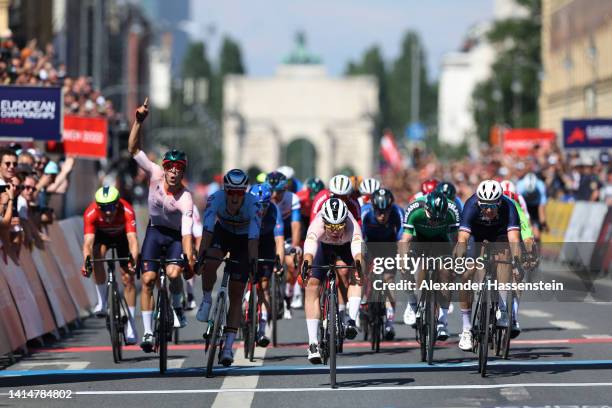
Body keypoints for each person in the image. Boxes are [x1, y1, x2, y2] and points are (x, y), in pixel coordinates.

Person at [128, 98, 195, 352]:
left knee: (175, 273)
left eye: (179, 169)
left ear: (182, 172)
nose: (173, 172)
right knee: (147, 279)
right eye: (170, 168)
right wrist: (138, 121)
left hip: (176, 236)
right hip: (155, 232)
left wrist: (189, 259)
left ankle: (177, 304)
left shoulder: (185, 198)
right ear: (164, 169)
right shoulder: (154, 173)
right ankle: (147, 332)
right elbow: (133, 150)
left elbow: (187, 234)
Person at [196, 168, 261, 366]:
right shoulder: (215, 198)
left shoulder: (254, 204)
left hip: (243, 241)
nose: (234, 197)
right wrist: (200, 257)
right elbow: (207, 230)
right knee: (210, 262)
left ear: (245, 192)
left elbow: (253, 239)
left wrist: (253, 264)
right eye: (230, 191)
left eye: (239, 192)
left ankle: (228, 348)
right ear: (225, 190)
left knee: (236, 292)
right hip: (222, 234)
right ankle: (207, 300)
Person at [454, 180, 522, 351]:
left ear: (499, 202)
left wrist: (517, 263)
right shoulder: (470, 205)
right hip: (476, 236)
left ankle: (503, 307)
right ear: (479, 202)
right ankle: (466, 328)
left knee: (506, 258)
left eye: (492, 206)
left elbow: (514, 240)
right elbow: (462, 238)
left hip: (500, 235)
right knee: (467, 274)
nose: (489, 210)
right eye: (485, 206)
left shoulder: (509, 206)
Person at [302, 198, 364, 364]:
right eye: (331, 226)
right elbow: (310, 245)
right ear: (324, 222)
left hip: (345, 247)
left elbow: (358, 250)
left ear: (345, 222)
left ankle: (351, 320)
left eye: (339, 226)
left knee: (355, 274)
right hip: (322, 246)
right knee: (312, 285)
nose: (336, 231)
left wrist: (359, 265)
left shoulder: (351, 225)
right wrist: (306, 262)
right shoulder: (317, 224)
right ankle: (313, 343)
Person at [81, 186, 140, 344]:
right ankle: (102, 301)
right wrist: (87, 262)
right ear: (97, 206)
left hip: (122, 238)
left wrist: (133, 261)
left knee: (128, 278)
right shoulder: (91, 213)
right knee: (96, 256)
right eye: (103, 207)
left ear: (118, 204)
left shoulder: (127, 210)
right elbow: (87, 243)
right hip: (102, 237)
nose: (108, 211)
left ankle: (131, 326)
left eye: (112, 206)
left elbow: (133, 240)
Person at [399, 190, 460, 341]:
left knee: (446, 273)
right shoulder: (415, 209)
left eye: (439, 219)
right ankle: (412, 302)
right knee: (409, 266)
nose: (435, 222)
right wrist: (403, 261)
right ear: (426, 210)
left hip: (442, 241)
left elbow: (458, 240)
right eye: (432, 218)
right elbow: (404, 240)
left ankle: (442, 321)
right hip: (419, 240)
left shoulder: (453, 211)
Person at [361, 188, 404, 339]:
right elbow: (358, 237)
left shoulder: (398, 213)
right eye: (378, 211)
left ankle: (389, 323)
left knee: (389, 280)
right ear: (373, 207)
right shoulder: (365, 212)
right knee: (361, 272)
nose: (382, 215)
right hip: (369, 245)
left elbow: (402, 238)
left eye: (385, 211)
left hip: (389, 246)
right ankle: (361, 299)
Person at [249, 183, 285, 347]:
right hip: (249, 241)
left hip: (267, 244)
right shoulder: (246, 209)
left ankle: (262, 328)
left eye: (264, 205)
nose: (261, 209)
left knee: (263, 285)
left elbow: (279, 240)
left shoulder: (274, 210)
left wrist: (280, 263)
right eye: (257, 205)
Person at [265, 171, 302, 317]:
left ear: (285, 190)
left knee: (292, 262)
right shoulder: (262, 196)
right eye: (271, 191)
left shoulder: (293, 198)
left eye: (278, 192)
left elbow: (296, 225)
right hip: (267, 233)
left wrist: (295, 246)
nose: (274, 195)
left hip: (285, 233)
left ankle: (287, 297)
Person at [516, 173, 547, 241]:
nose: (530, 195)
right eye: (528, 193)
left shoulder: (541, 186)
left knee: (537, 234)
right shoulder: (520, 187)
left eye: (532, 193)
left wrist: (543, 222)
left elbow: (541, 208)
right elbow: (519, 207)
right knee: (527, 230)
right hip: (524, 205)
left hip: (536, 207)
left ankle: (537, 247)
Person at [297, 177, 325, 241]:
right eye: (312, 192)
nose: (315, 195)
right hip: (303, 217)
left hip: (317, 217)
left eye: (318, 192)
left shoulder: (325, 197)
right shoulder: (301, 196)